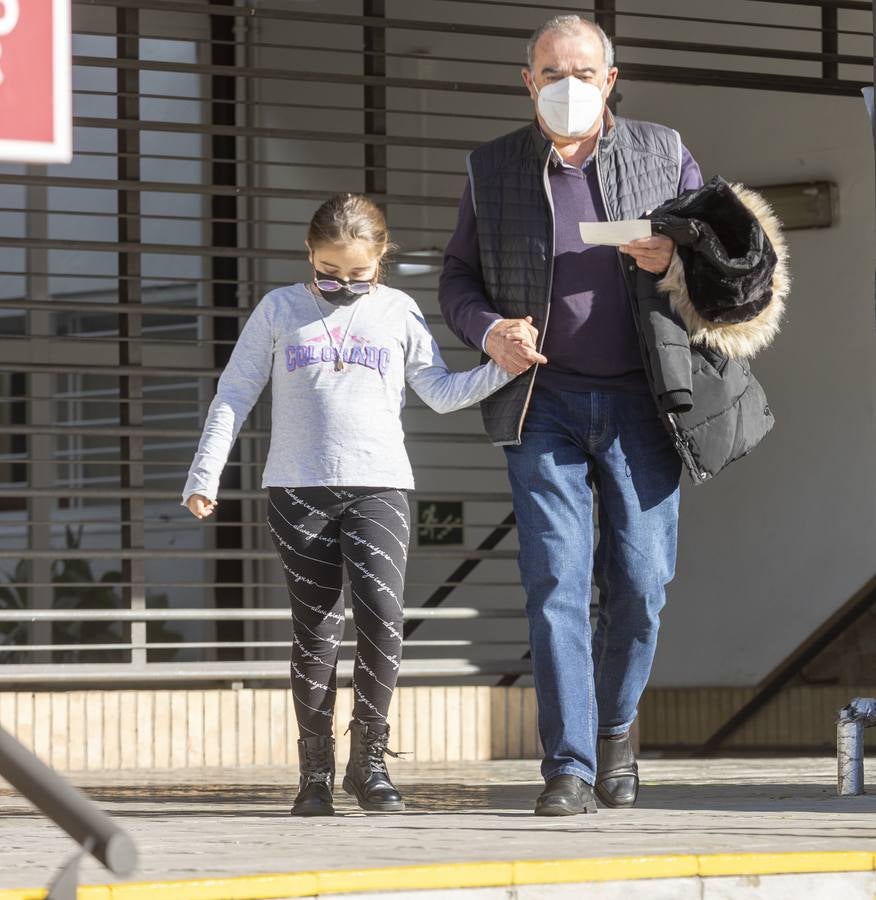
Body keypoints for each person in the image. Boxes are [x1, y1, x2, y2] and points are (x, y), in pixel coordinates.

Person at [438, 15, 706, 816]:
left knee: (642, 584)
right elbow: (455, 278)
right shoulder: (492, 170)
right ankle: (569, 767)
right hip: (542, 402)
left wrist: (676, 255)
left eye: (583, 72)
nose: (567, 85)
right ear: (527, 81)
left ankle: (617, 730)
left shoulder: (666, 151)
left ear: (610, 79)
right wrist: (489, 330)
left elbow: (733, 256)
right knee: (554, 580)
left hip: (642, 400)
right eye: (551, 71)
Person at [183, 193, 519, 817]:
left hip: (380, 484)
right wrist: (206, 475)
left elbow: (441, 393)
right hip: (296, 487)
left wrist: (504, 366)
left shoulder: (398, 310)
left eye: (358, 275)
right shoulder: (279, 308)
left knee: (383, 617)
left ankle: (368, 762)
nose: (342, 284)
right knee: (314, 629)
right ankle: (314, 776)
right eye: (328, 272)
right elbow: (234, 392)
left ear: (381, 259)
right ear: (309, 254)